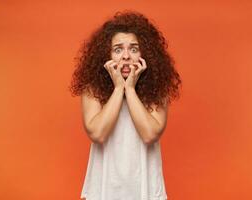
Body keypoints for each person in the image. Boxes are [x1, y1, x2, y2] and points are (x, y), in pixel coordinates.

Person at [69, 10, 182, 200]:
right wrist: (118, 88)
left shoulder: (157, 88)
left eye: (134, 49)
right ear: (106, 54)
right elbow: (97, 133)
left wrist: (130, 89)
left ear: (145, 55)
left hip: (146, 189)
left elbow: (150, 134)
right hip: (103, 189)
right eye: (118, 49)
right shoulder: (92, 88)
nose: (126, 56)